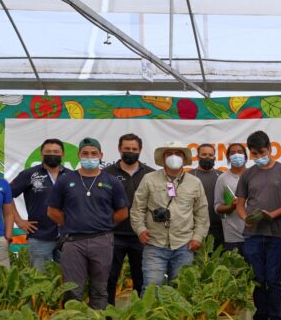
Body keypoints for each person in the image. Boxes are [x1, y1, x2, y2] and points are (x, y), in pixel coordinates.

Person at [47, 138, 129, 310]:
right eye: (85, 153)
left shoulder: (112, 181)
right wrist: (72, 222)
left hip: (102, 240)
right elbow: (52, 211)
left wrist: (103, 223)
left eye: (94, 153)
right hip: (73, 242)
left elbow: (122, 212)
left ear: (101, 156)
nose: (89, 157)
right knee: (72, 289)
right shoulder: (65, 180)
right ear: (78, 155)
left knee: (100, 288)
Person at [236, 131, 281, 320]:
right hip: (252, 235)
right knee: (258, 280)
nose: (258, 155)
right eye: (254, 153)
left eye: (261, 151)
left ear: (270, 148)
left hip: (276, 234)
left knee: (274, 280)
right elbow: (240, 204)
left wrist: (273, 214)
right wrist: (245, 218)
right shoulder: (247, 175)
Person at [131, 142, 209, 288]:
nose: (174, 157)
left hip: (185, 245)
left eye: (178, 154)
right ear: (163, 158)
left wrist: (198, 237)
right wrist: (140, 229)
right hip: (154, 243)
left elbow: (201, 214)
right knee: (151, 288)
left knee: (182, 289)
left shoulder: (195, 183)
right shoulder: (149, 179)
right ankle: (151, 312)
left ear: (184, 158)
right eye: (169, 154)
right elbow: (137, 208)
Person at [104, 133, 154, 302]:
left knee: (141, 279)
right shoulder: (106, 173)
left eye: (134, 149)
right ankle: (107, 316)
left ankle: (139, 317)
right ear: (119, 149)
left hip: (142, 236)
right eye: (127, 149)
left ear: (140, 150)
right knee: (109, 278)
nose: (130, 152)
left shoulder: (151, 174)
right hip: (113, 235)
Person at [10, 138, 71, 269]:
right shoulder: (29, 174)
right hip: (39, 237)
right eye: (48, 151)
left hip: (68, 237)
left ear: (63, 154)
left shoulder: (72, 176)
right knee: (40, 281)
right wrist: (19, 221)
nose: (52, 154)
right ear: (41, 154)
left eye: (56, 151)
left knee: (69, 279)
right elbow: (7, 195)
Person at [214, 143, 247, 255]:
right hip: (232, 235)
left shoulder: (254, 175)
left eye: (240, 152)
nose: (236, 155)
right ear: (228, 158)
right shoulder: (222, 179)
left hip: (254, 233)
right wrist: (231, 207)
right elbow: (217, 207)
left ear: (246, 156)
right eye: (232, 153)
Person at [188, 143, 224, 246]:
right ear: (197, 157)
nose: (207, 157)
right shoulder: (188, 176)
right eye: (204, 155)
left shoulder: (222, 176)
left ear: (215, 157)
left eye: (210, 155)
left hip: (219, 227)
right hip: (194, 228)